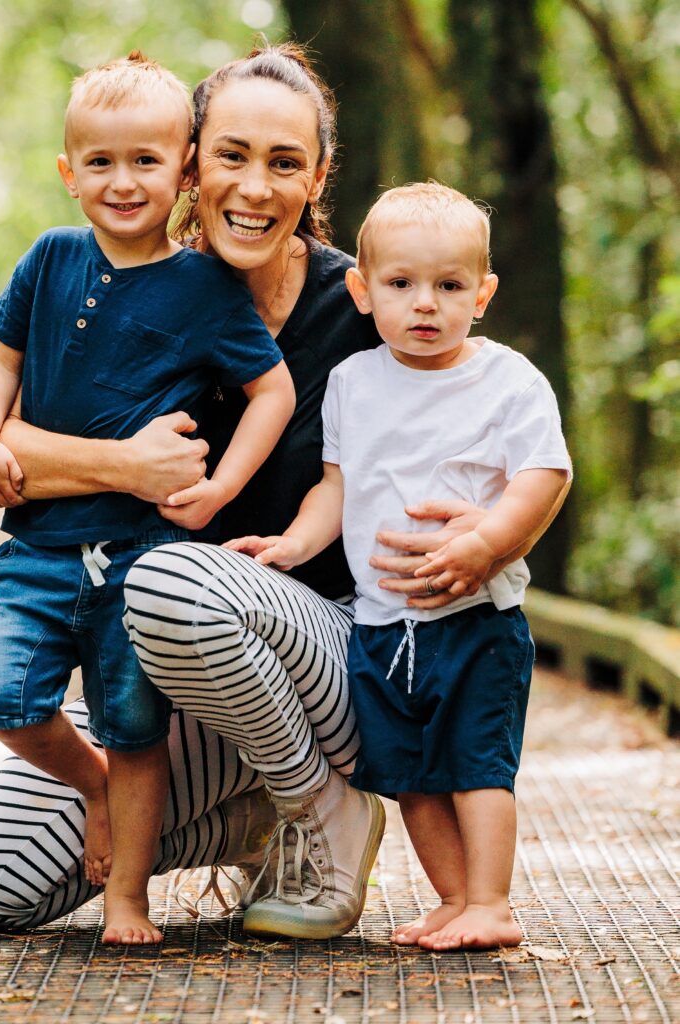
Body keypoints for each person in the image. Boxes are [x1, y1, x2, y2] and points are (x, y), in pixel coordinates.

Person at [0, 43, 569, 942]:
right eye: (231, 154)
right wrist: (123, 467)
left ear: (318, 176)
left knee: (172, 580)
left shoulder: (374, 304)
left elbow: (508, 428)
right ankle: (254, 823)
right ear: (191, 159)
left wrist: (491, 535)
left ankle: (322, 808)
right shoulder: (128, 283)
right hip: (155, 682)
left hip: (333, 660)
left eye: (285, 162)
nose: (255, 187)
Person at [0, 52, 294, 945]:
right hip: (35, 547)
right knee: (1, 699)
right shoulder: (50, 258)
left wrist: (221, 484)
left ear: (184, 168)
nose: (122, 180)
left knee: (137, 728)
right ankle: (88, 781)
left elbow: (274, 393)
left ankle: (127, 901)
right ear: (69, 174)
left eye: (146, 160)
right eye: (99, 162)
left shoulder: (207, 288)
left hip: (138, 557)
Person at [223, 182, 572, 947]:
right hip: (381, 624)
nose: (425, 305)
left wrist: (487, 544)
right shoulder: (354, 383)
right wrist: (293, 544)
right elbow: (338, 487)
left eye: (449, 286)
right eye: (401, 284)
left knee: (477, 766)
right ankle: (453, 899)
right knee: (410, 773)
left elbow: (544, 475)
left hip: (473, 619)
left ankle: (492, 901)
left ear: (482, 294)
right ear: (361, 289)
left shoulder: (508, 381)